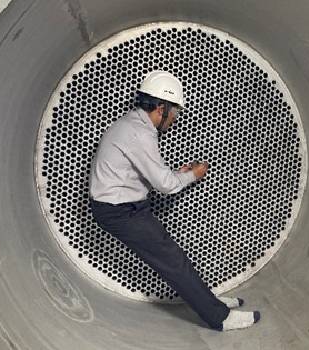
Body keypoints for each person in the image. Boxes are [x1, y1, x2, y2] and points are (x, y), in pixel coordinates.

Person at [89, 71, 260, 331]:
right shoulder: (140, 134)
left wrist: (176, 174)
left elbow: (138, 172)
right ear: (161, 108)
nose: (175, 119)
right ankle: (219, 318)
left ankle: (209, 301)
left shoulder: (133, 124)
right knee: (172, 259)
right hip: (119, 211)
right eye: (174, 112)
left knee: (173, 256)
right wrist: (194, 174)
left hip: (125, 206)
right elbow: (166, 186)